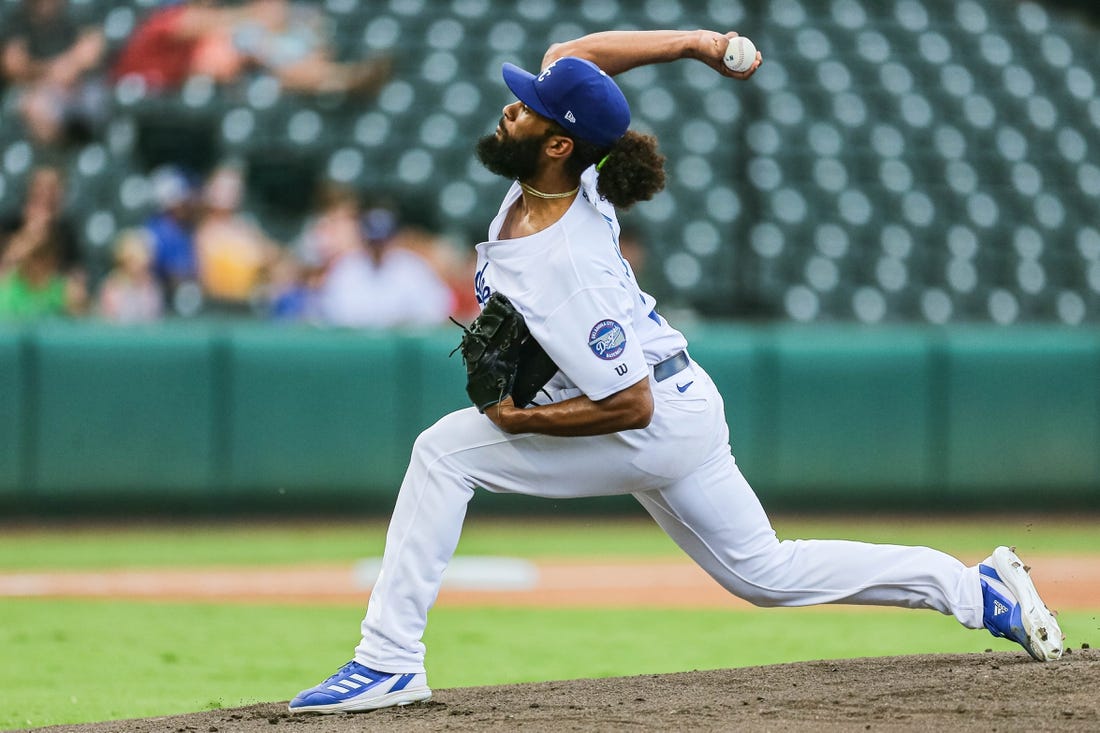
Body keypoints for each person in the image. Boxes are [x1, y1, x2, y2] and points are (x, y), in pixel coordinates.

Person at [288, 30, 1063, 714]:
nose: (510, 110)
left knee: (443, 453)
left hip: (648, 417)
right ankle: (975, 590)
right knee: (764, 571)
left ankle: (388, 659)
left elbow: (628, 401)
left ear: (560, 143)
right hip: (681, 404)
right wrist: (694, 42)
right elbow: (575, 57)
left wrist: (524, 422)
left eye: (526, 110)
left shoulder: (571, 262)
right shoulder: (561, 176)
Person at [0, 0, 107, 146]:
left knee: (106, 98)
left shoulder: (75, 11)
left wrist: (68, 66)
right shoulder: (18, 19)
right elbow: (13, 65)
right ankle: (54, 159)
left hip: (78, 83)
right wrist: (52, 71)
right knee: (35, 106)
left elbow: (93, 49)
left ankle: (95, 151)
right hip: (37, 86)